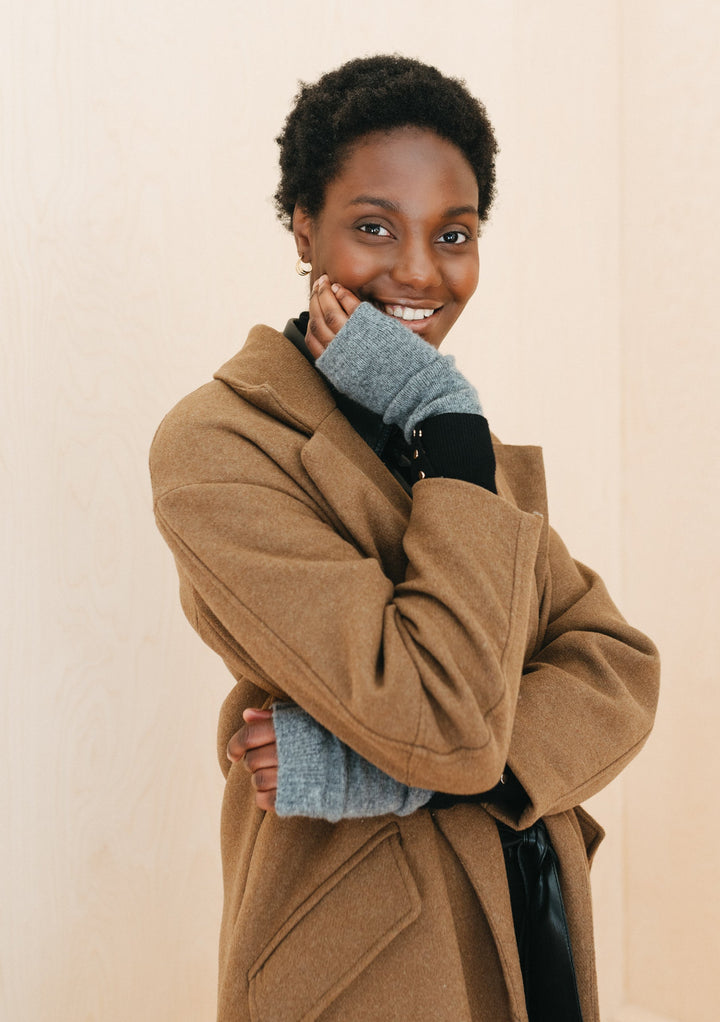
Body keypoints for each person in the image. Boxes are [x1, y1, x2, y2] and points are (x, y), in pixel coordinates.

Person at [150, 55, 660, 1022]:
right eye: (375, 226)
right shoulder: (221, 445)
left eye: (453, 234)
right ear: (305, 226)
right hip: (368, 957)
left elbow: (616, 667)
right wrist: (444, 411)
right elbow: (446, 719)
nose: (422, 270)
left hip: (526, 920)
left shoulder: (450, 446)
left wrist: (365, 770)